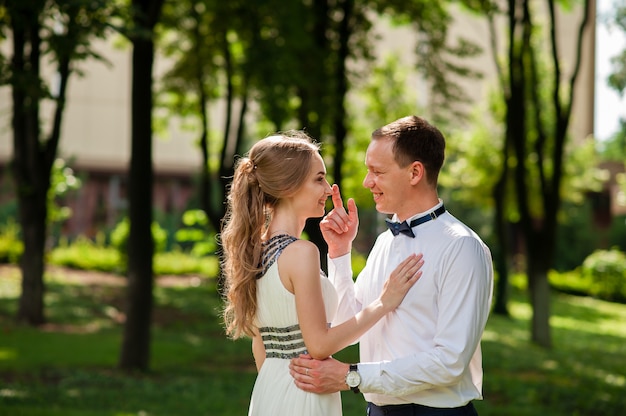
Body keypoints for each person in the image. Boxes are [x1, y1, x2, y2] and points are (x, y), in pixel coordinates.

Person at [290, 116, 494, 416]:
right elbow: (350, 321)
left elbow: (450, 362)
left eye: (377, 171)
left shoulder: (462, 247)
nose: (366, 182)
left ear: (414, 172)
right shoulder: (385, 242)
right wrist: (339, 253)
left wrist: (352, 376)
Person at [220, 130, 425, 416]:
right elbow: (319, 346)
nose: (329, 189)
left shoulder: (254, 251)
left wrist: (277, 388)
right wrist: (384, 303)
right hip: (305, 394)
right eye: (319, 179)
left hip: (270, 389)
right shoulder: (301, 252)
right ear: (289, 185)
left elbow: (260, 346)